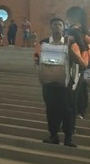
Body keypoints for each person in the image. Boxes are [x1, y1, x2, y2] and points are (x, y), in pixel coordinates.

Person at [34, 18, 84, 147]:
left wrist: (68, 48)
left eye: (60, 25)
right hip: (48, 82)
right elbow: (37, 59)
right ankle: (53, 135)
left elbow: (81, 62)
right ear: (51, 27)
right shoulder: (43, 43)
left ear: (63, 27)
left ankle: (68, 137)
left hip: (65, 83)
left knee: (67, 110)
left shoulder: (71, 43)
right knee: (51, 110)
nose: (57, 27)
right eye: (55, 24)